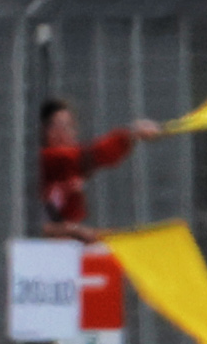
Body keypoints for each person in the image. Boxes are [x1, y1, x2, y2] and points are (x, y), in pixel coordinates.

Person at [39, 97, 161, 241]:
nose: (70, 133)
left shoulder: (65, 172)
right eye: (62, 127)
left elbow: (66, 226)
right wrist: (132, 134)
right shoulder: (48, 159)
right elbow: (96, 154)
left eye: (71, 126)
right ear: (45, 131)